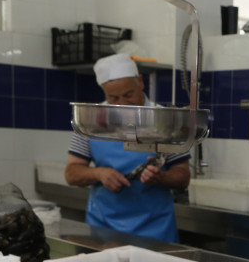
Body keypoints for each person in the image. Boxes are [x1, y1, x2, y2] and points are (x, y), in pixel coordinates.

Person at [65, 53, 190, 242]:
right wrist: (99, 174)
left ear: (140, 82)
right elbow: (72, 173)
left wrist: (160, 177)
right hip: (103, 230)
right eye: (114, 97)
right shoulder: (90, 121)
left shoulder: (166, 120)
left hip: (155, 232)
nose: (122, 103)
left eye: (128, 95)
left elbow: (183, 176)